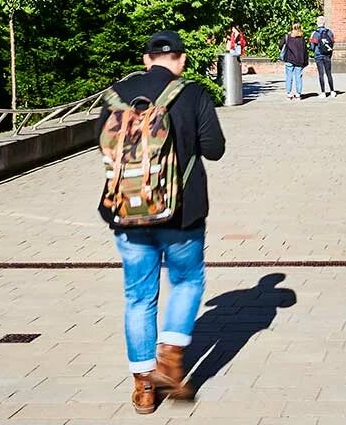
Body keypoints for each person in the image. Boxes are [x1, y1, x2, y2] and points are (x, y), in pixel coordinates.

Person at [98, 31, 226, 412]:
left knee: (139, 296)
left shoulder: (115, 95)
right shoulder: (192, 93)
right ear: (181, 60)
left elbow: (102, 147)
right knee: (187, 281)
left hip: (127, 211)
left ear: (145, 59)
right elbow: (215, 150)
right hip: (182, 212)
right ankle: (170, 359)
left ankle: (143, 387)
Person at [280, 24, 309, 101]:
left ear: (292, 28)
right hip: (299, 60)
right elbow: (305, 51)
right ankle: (298, 94)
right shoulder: (302, 38)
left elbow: (280, 45)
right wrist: (305, 61)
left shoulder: (288, 37)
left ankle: (289, 94)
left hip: (289, 59)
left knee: (289, 77)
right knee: (298, 77)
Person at [310, 17, 337, 97]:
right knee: (329, 73)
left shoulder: (315, 33)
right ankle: (332, 91)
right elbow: (332, 43)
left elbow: (312, 46)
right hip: (327, 55)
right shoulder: (329, 32)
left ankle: (323, 92)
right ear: (324, 23)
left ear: (317, 23)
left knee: (321, 74)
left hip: (318, 55)